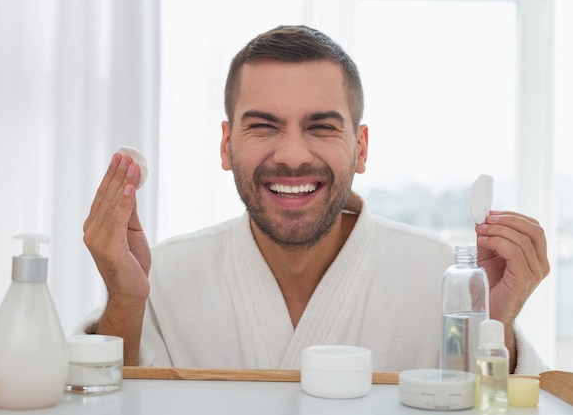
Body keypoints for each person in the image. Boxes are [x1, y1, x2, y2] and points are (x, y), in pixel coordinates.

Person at [82, 25, 550, 373]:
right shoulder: (160, 279)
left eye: (321, 126)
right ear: (225, 145)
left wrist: (495, 325)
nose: (291, 155)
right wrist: (124, 299)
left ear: (360, 147)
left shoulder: (445, 282)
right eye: (263, 126)